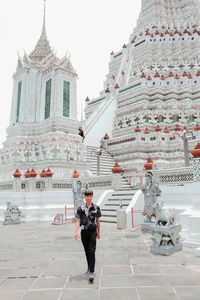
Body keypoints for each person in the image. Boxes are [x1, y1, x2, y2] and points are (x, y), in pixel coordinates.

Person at [74, 190, 101, 282]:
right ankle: (89, 268)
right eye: (87, 196)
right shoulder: (80, 208)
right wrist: (76, 232)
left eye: (90, 196)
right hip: (84, 232)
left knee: (92, 251)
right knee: (86, 251)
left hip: (93, 232)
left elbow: (98, 220)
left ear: (92, 196)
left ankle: (92, 272)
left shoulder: (96, 207)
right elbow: (78, 220)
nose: (89, 197)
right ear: (84, 197)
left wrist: (99, 232)